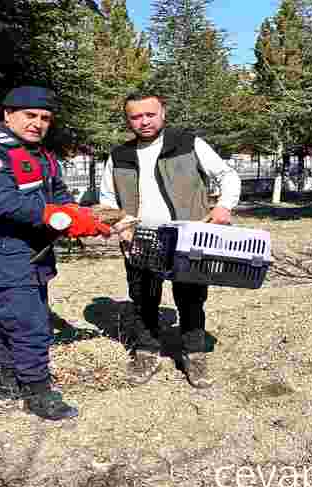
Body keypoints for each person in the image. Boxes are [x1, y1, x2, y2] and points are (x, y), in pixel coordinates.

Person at [0, 86, 110, 420]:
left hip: (33, 252)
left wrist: (82, 217)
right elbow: (1, 203)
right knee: (31, 325)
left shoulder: (40, 153)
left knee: (16, 319)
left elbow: (58, 194)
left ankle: (10, 380)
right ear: (8, 114)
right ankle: (38, 393)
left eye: (45, 118)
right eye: (30, 115)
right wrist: (60, 218)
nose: (38, 123)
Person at [99, 92, 241, 389]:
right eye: (136, 117)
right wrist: (123, 227)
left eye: (150, 114)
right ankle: (147, 351)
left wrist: (224, 206)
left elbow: (227, 175)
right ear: (128, 120)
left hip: (187, 238)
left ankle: (194, 353)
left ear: (163, 113)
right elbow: (107, 200)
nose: (144, 121)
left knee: (191, 299)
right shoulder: (119, 155)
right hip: (140, 239)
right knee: (143, 299)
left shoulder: (188, 143)